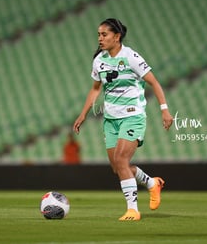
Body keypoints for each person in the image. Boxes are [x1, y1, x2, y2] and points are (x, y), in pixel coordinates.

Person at [73, 18, 173, 220]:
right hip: (110, 120)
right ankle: (153, 184)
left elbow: (154, 82)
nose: (100, 38)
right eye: (98, 34)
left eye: (104, 34)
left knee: (121, 160)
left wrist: (165, 110)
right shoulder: (99, 60)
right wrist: (83, 113)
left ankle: (133, 210)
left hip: (132, 116)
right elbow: (95, 89)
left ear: (116, 37)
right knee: (118, 167)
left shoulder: (131, 57)